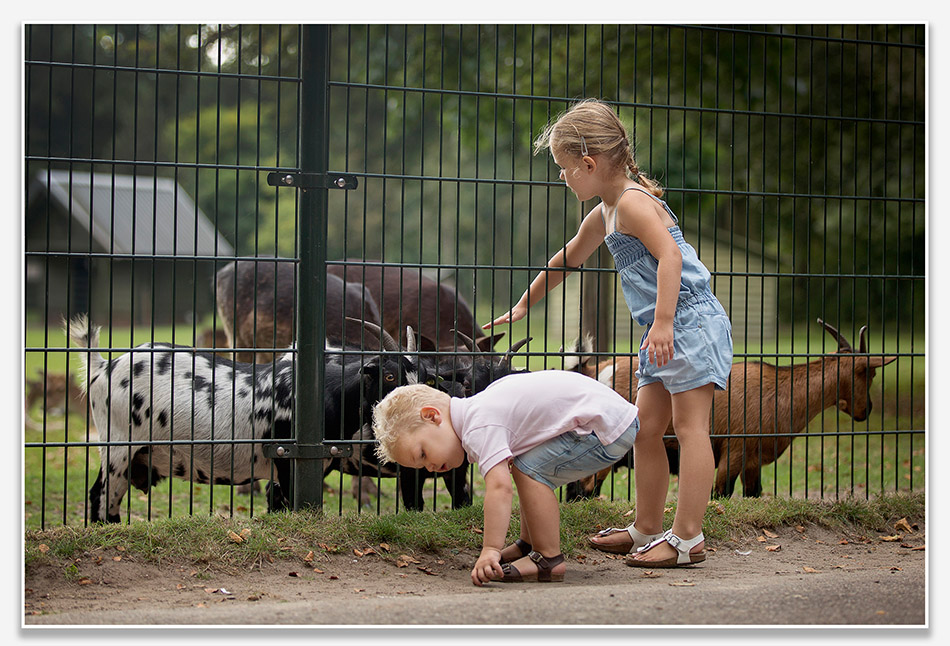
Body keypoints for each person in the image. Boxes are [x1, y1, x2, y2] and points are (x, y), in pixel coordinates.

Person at [483, 98, 733, 568]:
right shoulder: (605, 212)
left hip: (688, 323)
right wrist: (524, 304)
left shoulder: (634, 203)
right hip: (662, 328)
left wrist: (663, 323)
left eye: (563, 168)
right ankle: (647, 528)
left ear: (589, 163)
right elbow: (567, 259)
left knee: (690, 428)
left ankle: (688, 539)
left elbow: (670, 257)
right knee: (646, 429)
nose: (562, 177)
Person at [373, 370, 640, 585]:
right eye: (421, 466)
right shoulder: (479, 409)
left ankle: (548, 558)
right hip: (608, 420)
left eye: (422, 454)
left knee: (529, 470)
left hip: (603, 428)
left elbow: (499, 488)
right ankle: (529, 544)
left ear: (432, 416)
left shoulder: (479, 426)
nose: (430, 467)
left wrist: (490, 549)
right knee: (526, 466)